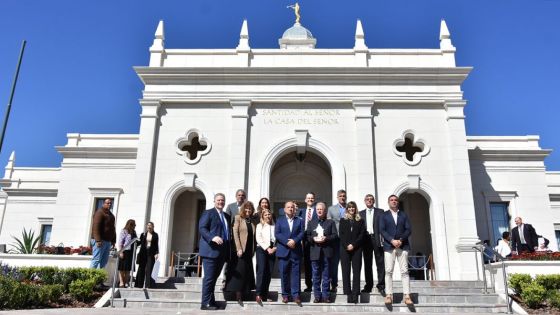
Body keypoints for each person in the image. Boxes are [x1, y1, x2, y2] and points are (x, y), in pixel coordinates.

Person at [198, 193, 231, 311]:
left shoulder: (226, 216)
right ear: (214, 201)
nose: (220, 202)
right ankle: (205, 303)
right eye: (218, 200)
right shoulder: (208, 213)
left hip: (222, 252)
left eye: (222, 200)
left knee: (214, 278)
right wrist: (213, 237)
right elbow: (202, 228)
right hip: (210, 251)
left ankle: (211, 301)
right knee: (209, 278)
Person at [379, 195, 413, 306]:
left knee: (404, 271)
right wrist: (392, 240)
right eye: (391, 200)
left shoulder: (404, 214)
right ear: (388, 202)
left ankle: (407, 295)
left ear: (397, 202)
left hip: (403, 246)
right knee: (388, 271)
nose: (394, 202)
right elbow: (382, 230)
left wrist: (401, 240)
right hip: (389, 246)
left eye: (395, 200)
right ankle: (389, 295)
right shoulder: (384, 215)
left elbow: (408, 229)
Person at [306, 202, 338, 303]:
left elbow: (335, 236)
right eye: (318, 209)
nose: (319, 211)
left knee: (326, 275)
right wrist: (313, 239)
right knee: (315, 276)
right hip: (315, 252)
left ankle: (326, 296)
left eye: (321, 209)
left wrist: (326, 238)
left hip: (326, 252)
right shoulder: (311, 222)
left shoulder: (330, 222)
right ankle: (317, 296)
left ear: (325, 211)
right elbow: (307, 236)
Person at [226, 201, 256, 303]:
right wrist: (238, 248)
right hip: (240, 250)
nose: (248, 211)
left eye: (250, 209)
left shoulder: (251, 221)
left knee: (246, 272)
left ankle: (245, 292)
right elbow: (235, 233)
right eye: (246, 208)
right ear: (243, 209)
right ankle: (238, 294)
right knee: (240, 271)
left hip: (248, 251)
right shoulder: (238, 217)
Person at [275, 201, 304, 304]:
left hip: (296, 251)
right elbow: (277, 234)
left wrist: (294, 241)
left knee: (296, 274)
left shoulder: (299, 220)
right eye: (288, 207)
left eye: (292, 207)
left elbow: (302, 233)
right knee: (284, 274)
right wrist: (287, 242)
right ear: (284, 209)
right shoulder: (279, 220)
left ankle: (296, 295)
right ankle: (285, 295)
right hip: (283, 251)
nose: (290, 209)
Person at [339, 201, 366, 303]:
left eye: (353, 207)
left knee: (356, 272)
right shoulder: (343, 220)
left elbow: (362, 235)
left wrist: (353, 245)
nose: (351, 209)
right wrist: (347, 245)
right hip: (344, 249)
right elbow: (341, 234)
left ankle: (355, 294)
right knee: (346, 271)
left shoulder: (360, 221)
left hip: (357, 248)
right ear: (347, 209)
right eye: (349, 207)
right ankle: (348, 294)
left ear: (355, 209)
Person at [359, 194, 386, 295]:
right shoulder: (360, 213)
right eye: (367, 199)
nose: (369, 201)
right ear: (365, 201)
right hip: (366, 239)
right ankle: (368, 285)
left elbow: (383, 226)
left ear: (374, 201)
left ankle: (381, 286)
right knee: (367, 264)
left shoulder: (380, 212)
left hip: (377, 239)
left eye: (371, 199)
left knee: (380, 263)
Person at [327, 189, 347, 292]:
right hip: (335, 240)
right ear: (337, 197)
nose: (342, 197)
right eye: (340, 196)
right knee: (334, 263)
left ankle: (347, 285)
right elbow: (329, 223)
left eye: (344, 196)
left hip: (347, 240)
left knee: (346, 263)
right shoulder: (331, 209)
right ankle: (333, 284)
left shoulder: (350, 208)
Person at [255, 208, 276, 304]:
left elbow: (278, 239)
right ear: (262, 216)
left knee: (268, 272)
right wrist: (267, 248)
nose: (268, 216)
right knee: (262, 271)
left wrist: (275, 248)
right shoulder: (260, 226)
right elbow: (258, 238)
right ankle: (258, 294)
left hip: (273, 250)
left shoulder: (275, 226)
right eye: (266, 215)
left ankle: (264, 295)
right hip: (262, 249)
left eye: (269, 214)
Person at [300, 192, 318, 292]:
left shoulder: (317, 211)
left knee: (315, 263)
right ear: (305, 200)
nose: (310, 200)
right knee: (307, 263)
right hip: (304, 239)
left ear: (314, 200)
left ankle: (316, 285)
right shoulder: (301, 212)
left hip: (315, 239)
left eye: (312, 198)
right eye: (308, 198)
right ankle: (309, 285)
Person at [90, 198, 116, 269]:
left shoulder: (111, 215)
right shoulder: (99, 212)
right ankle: (89, 278)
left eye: (110, 203)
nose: (109, 204)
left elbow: (113, 229)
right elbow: (95, 227)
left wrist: (113, 241)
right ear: (103, 203)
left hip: (107, 242)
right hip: (100, 241)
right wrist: (98, 240)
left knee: (104, 261)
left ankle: (99, 279)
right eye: (107, 203)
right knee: (96, 260)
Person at [135, 221, 159, 289]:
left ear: (153, 227)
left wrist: (157, 253)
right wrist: (134, 240)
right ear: (146, 226)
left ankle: (148, 285)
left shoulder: (155, 235)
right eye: (148, 225)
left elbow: (156, 245)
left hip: (151, 253)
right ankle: (139, 285)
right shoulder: (143, 234)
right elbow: (139, 242)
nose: (149, 226)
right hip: (143, 252)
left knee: (149, 269)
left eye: (150, 225)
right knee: (141, 268)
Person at [117, 219, 137, 287]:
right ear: (130, 225)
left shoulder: (134, 232)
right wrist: (121, 251)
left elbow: (136, 240)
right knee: (122, 268)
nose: (135, 226)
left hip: (131, 252)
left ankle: (126, 282)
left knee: (128, 268)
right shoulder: (124, 231)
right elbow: (120, 242)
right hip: (124, 251)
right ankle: (121, 282)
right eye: (134, 225)